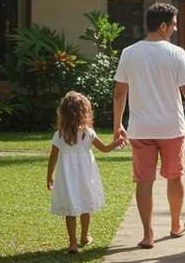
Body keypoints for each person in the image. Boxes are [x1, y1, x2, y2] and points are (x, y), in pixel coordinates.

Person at [113, 2, 185, 249]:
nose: (175, 30)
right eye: (174, 24)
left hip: (140, 129)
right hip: (171, 129)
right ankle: (176, 225)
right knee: (174, 177)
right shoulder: (176, 53)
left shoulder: (129, 53)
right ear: (163, 25)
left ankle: (147, 234)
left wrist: (117, 125)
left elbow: (119, 92)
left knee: (143, 181)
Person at [46, 92, 126, 253]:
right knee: (84, 205)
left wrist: (49, 176)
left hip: (67, 176)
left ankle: (73, 243)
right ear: (84, 112)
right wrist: (117, 142)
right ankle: (84, 236)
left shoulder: (59, 135)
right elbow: (104, 149)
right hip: (86, 175)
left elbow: (53, 157)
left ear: (63, 113)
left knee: (70, 208)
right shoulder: (87, 132)